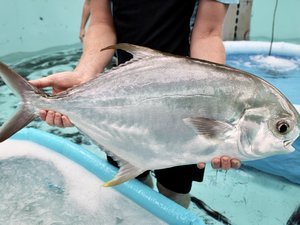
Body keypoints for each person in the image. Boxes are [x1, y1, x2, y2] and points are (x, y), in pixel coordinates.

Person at [30, 0, 241, 208]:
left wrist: (215, 107)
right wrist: (83, 75)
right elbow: (101, 22)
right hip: (121, 94)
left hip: (184, 100)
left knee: (175, 187)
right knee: (131, 181)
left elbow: (208, 33)